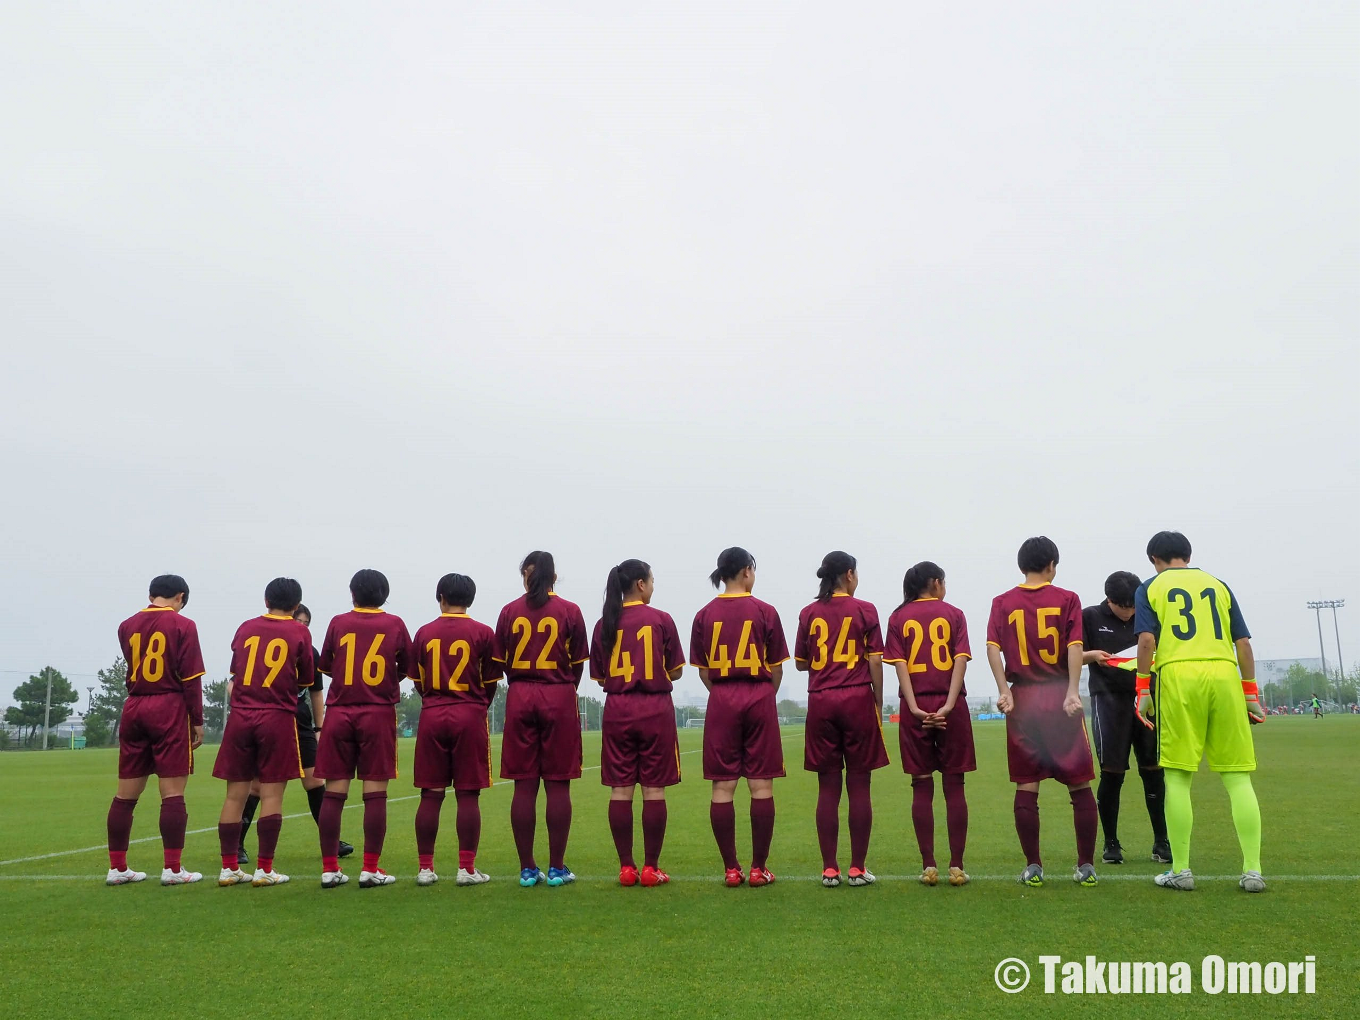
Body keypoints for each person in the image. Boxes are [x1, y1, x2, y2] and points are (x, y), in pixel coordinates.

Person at [1133, 531, 1265, 893]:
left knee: (1177, 777)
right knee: (1238, 778)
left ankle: (1181, 870)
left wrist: (1143, 688)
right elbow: (1243, 643)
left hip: (1179, 677)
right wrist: (1250, 692)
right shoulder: (1218, 584)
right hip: (1224, 675)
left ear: (1154, 560)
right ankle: (1253, 871)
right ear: (1188, 556)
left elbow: (1146, 640)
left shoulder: (1150, 587)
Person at [985, 537, 1100, 887]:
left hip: (1023, 701)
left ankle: (1033, 866)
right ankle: (1086, 866)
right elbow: (1074, 647)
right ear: (1052, 565)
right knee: (1079, 783)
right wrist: (1072, 691)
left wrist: (1004, 690)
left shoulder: (1002, 602)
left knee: (1027, 783)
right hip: (1059, 697)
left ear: (1022, 566)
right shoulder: (1067, 598)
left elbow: (992, 648)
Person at [690, 547, 789, 888]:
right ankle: (759, 868)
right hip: (759, 694)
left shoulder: (704, 614)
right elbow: (776, 668)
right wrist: (764, 695)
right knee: (760, 784)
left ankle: (732, 869)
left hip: (721, 697)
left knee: (722, 785)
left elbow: (703, 671)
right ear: (747, 571)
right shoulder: (766, 611)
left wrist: (723, 694)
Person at [493, 551, 591, 888]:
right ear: (554, 577)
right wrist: (563, 689)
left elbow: (502, 663)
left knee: (524, 784)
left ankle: (527, 869)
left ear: (525, 575)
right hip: (558, 694)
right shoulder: (570, 610)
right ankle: (556, 868)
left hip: (520, 695)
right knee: (557, 783)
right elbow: (577, 665)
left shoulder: (509, 611)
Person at [793, 551, 888, 889]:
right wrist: (878, 700)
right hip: (857, 698)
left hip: (821, 700)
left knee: (828, 787)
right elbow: (875, 661)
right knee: (859, 784)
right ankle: (857, 868)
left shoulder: (808, 613)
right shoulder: (866, 609)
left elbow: (801, 663)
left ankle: (829, 869)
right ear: (849, 574)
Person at [314, 569, 413, 888]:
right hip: (377, 712)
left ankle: (329, 868)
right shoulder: (394, 624)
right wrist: (383, 682)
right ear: (384, 594)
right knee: (375, 793)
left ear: (353, 593)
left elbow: (327, 666)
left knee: (333, 792)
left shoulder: (338, 622)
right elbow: (407, 667)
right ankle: (370, 868)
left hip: (339, 711)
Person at [589, 559, 685, 888]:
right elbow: (676, 671)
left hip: (618, 709)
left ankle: (626, 868)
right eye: (652, 580)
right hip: (655, 708)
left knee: (621, 789)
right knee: (653, 788)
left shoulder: (604, 623)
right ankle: (650, 868)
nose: (653, 586)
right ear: (641, 585)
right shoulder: (661, 619)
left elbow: (601, 676)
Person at [107, 574, 207, 886]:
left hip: (135, 705)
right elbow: (191, 677)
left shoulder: (126, 625)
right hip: (168, 706)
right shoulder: (183, 625)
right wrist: (198, 719)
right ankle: (173, 869)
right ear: (180, 597)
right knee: (173, 792)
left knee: (125, 795)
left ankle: (117, 868)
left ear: (151, 595)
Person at [212, 578, 313, 887]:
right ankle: (265, 869)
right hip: (276, 716)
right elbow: (305, 679)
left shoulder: (246, 627)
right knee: (272, 794)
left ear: (266, 600)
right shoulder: (299, 631)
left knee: (234, 795)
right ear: (296, 605)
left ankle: (228, 868)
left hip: (241, 716)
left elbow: (237, 671)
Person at [238, 603, 353, 864]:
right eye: (298, 621)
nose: (301, 627)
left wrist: (319, 728)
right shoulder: (265, 646)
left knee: (315, 780)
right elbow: (236, 683)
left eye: (306, 624)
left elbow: (316, 692)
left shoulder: (310, 651)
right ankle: (237, 844)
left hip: (299, 721)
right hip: (270, 719)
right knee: (257, 785)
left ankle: (331, 842)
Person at [883, 561, 974, 887]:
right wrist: (949, 704)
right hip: (952, 706)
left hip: (915, 708)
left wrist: (913, 707)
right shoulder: (955, 614)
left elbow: (900, 665)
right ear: (935, 583)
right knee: (954, 785)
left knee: (921, 784)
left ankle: (928, 866)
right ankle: (957, 867)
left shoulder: (898, 617)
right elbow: (960, 660)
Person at [409, 573, 501, 887]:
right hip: (470, 713)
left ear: (441, 598)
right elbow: (491, 683)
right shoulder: (483, 632)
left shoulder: (424, 633)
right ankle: (466, 869)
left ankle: (425, 869)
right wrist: (477, 705)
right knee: (468, 793)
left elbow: (419, 682)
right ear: (470, 599)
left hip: (433, 714)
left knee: (430, 793)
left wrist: (435, 701)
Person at [1083, 571, 1171, 866]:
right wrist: (1093, 655)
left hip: (1147, 698)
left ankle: (1161, 841)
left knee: (1153, 769)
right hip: (1108, 701)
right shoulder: (1090, 616)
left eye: (1133, 605)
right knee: (1112, 772)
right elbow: (1069, 655)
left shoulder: (1148, 614)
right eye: (1123, 607)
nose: (1130, 612)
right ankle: (1111, 843)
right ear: (1109, 600)